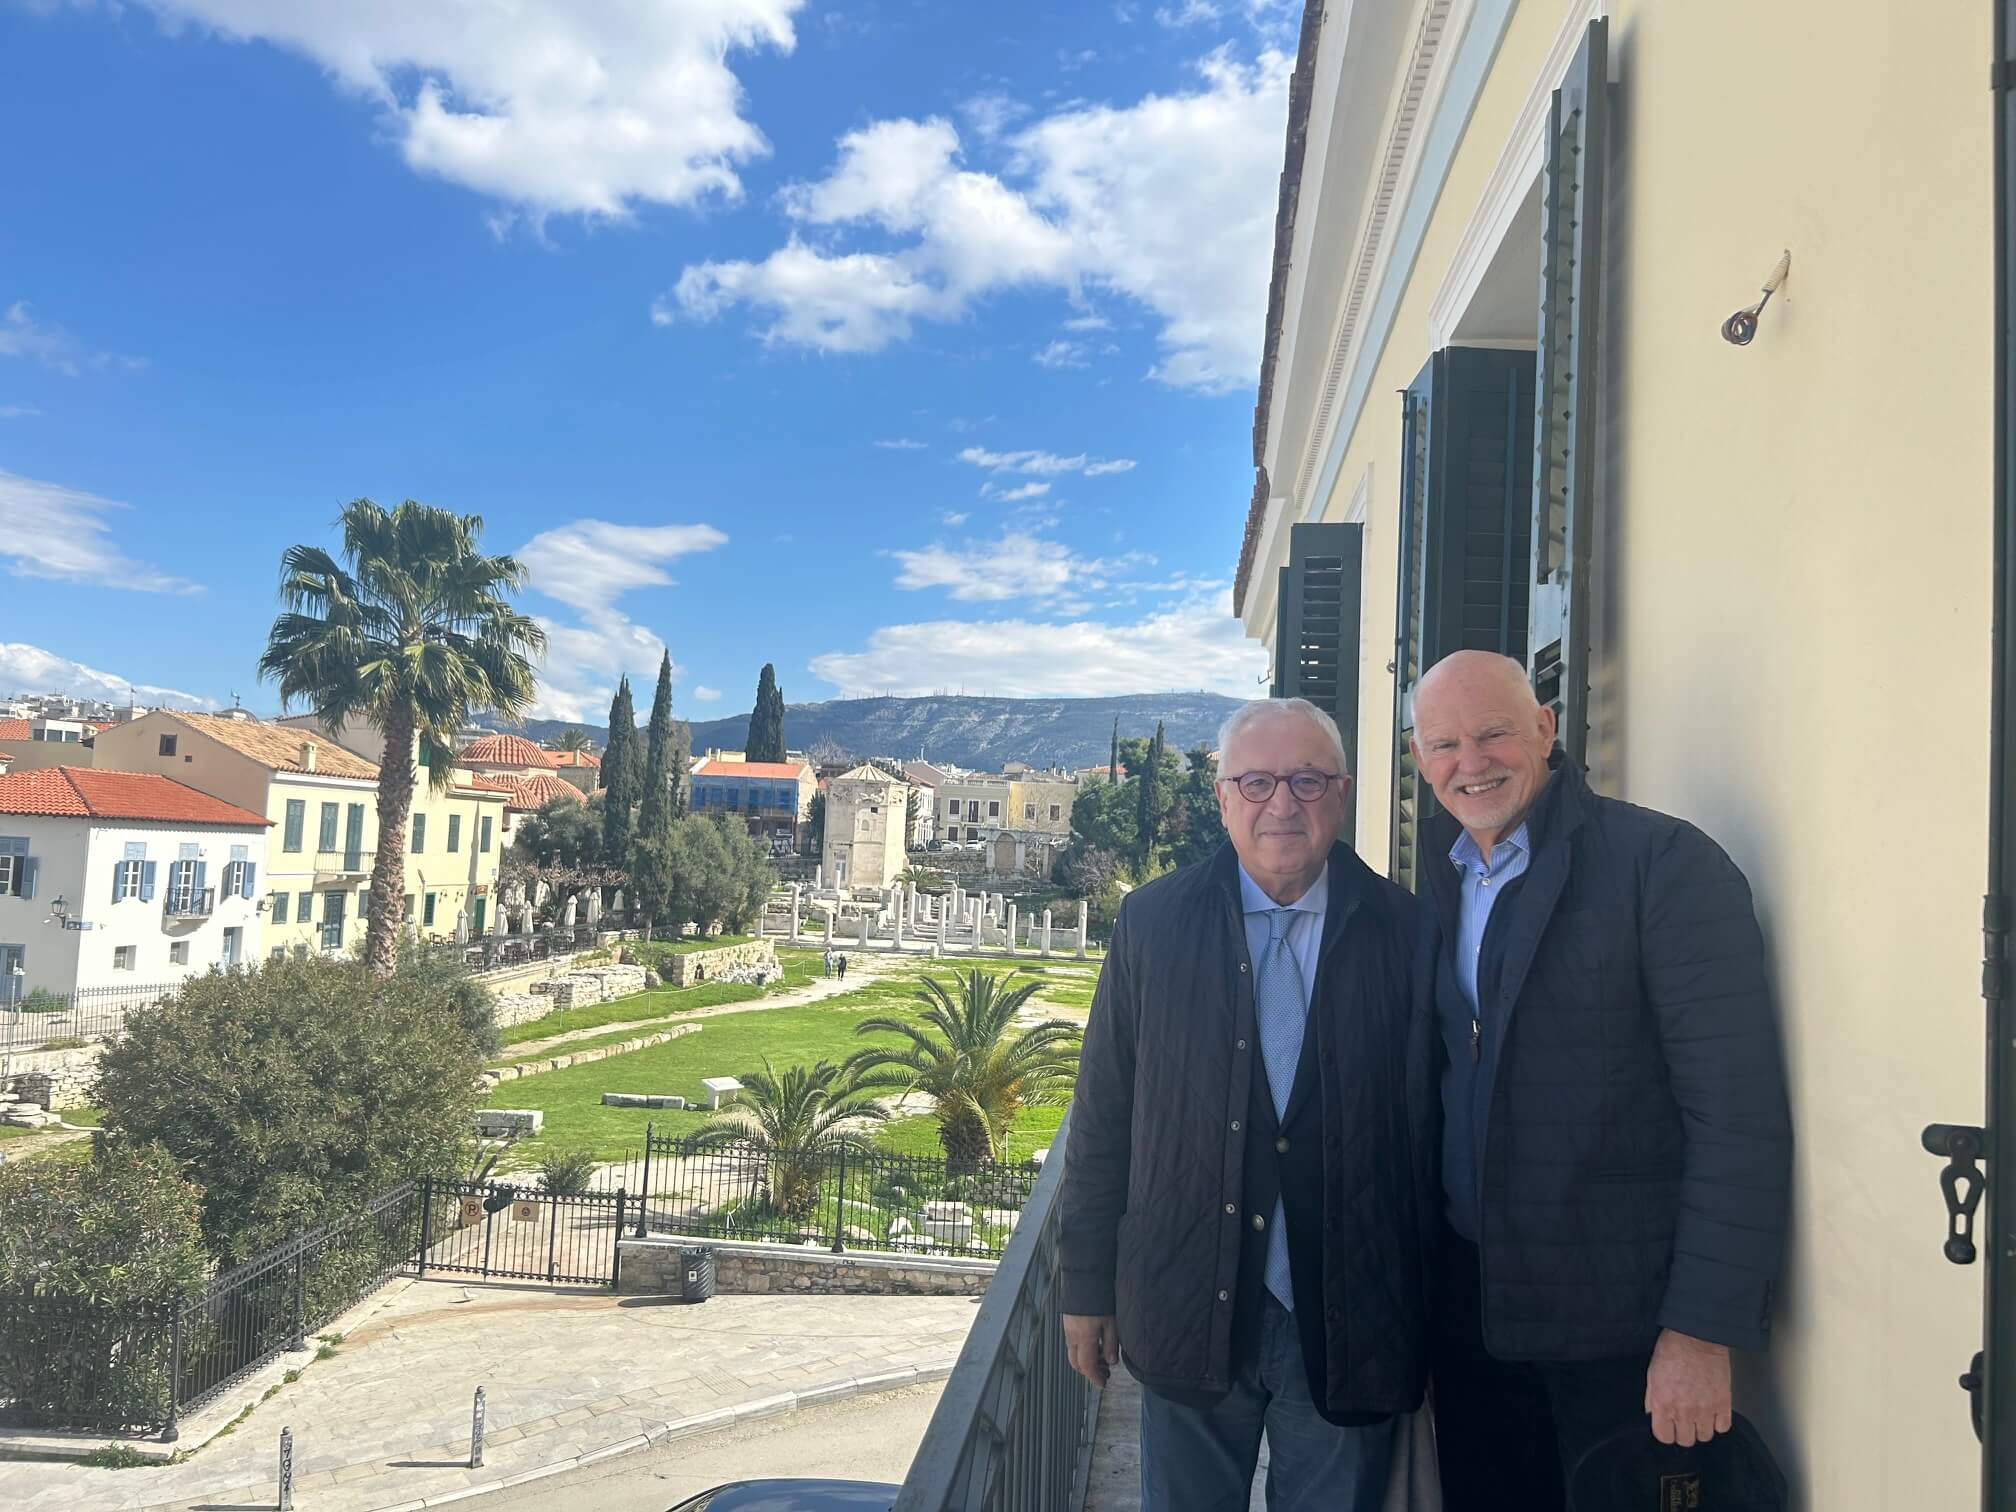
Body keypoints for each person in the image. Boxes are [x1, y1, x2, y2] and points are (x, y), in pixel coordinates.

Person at [1409, 651, 1792, 1508]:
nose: (1471, 763)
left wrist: (1701, 1332)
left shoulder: (1664, 865)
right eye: (1445, 744)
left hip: (1624, 1333)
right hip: (1477, 1320)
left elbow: (1738, 1117)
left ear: (1545, 728)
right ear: (1418, 758)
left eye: (1493, 733)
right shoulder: (1443, 878)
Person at [1059, 698, 1435, 1511]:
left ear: (1341, 794)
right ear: (1223, 798)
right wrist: (1085, 1286)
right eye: (1257, 782)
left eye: (1307, 781)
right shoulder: (1152, 925)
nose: (1281, 805)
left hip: (1349, 1319)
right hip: (1187, 1300)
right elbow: (1104, 1115)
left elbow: (1429, 1134)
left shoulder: (1407, 933)